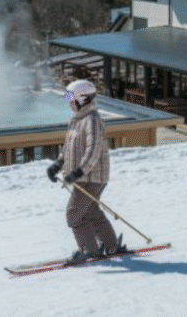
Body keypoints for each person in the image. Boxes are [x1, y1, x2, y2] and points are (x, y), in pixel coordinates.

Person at [46, 79, 127, 264]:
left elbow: (93, 150)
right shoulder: (76, 120)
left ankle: (88, 250)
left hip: (93, 176)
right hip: (85, 176)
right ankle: (111, 245)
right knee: (90, 211)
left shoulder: (93, 120)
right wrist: (57, 165)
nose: (68, 102)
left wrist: (78, 172)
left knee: (74, 213)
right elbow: (68, 149)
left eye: (70, 98)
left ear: (82, 99)